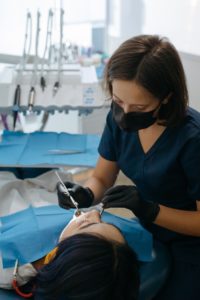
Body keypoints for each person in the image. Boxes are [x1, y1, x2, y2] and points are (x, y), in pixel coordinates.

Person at [57, 34, 200, 300]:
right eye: (118, 101)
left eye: (139, 107)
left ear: (166, 97)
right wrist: (85, 193)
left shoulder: (192, 139)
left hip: (191, 246)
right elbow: (101, 177)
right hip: (145, 231)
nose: (124, 114)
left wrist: (150, 210)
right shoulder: (118, 121)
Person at [1, 204, 161, 300]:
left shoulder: (6, 266)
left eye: (85, 225)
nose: (94, 213)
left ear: (57, 255)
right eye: (104, 222)